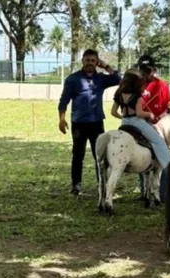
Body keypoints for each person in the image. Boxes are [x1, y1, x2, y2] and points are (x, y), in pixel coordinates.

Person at [58, 49, 121, 195]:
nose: (90, 63)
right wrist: (61, 120)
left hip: (96, 122)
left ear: (96, 62)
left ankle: (102, 184)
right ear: (82, 61)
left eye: (93, 61)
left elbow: (118, 79)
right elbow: (64, 100)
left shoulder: (101, 79)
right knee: (78, 154)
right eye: (87, 60)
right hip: (79, 123)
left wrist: (105, 66)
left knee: (99, 155)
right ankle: (76, 185)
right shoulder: (73, 79)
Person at [111, 69, 170, 171]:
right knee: (158, 140)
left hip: (124, 123)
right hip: (137, 122)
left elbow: (113, 112)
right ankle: (169, 167)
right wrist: (150, 114)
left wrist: (124, 118)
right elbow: (139, 114)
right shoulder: (137, 96)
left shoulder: (118, 94)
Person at [136, 55, 170, 199]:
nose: (146, 74)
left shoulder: (162, 85)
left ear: (154, 69)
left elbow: (169, 106)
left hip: (159, 123)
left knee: (163, 156)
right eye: (142, 70)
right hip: (141, 122)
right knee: (140, 155)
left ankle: (163, 192)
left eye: (148, 70)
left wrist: (160, 117)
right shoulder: (136, 84)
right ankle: (144, 191)